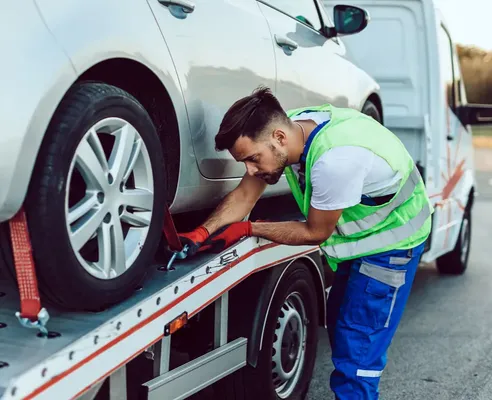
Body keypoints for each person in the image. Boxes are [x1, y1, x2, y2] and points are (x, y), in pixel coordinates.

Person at [178, 86, 433, 399]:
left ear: (279, 138)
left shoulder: (334, 161)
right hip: (362, 241)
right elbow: (245, 196)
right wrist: (201, 233)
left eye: (253, 159)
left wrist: (249, 229)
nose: (251, 170)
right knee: (343, 324)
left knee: (357, 354)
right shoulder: (295, 127)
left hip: (393, 243)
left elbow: (315, 232)